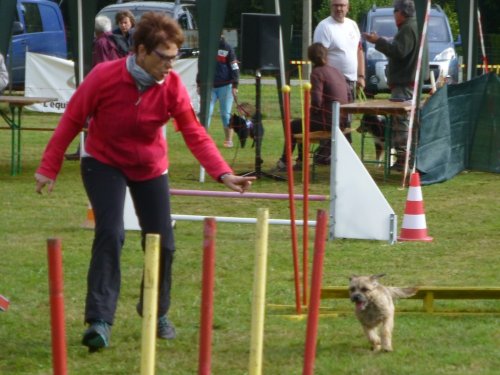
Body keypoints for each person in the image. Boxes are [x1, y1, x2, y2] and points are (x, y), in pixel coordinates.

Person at [34, 12, 255, 352]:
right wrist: (49, 167)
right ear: (140, 51)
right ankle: (100, 320)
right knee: (110, 232)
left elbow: (194, 133)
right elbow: (73, 118)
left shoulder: (172, 87)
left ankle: (156, 311)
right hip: (103, 161)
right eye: (164, 58)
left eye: (175, 58)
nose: (170, 65)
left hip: (150, 166)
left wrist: (223, 173)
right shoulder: (103, 76)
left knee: (163, 242)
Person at [363, 0, 427, 171]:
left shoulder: (407, 28)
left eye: (394, 11)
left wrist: (378, 41)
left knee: (401, 122)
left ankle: (402, 160)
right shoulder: (413, 25)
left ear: (401, 12)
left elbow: (398, 51)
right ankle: (405, 158)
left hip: (404, 83)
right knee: (404, 121)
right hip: (408, 82)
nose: (393, 14)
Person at [275, 43, 349, 171]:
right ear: (327, 55)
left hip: (328, 121)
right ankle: (300, 160)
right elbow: (349, 95)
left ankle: (285, 161)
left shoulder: (317, 73)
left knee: (294, 125)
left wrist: (313, 112)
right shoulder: (336, 71)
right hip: (342, 120)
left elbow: (316, 100)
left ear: (310, 58)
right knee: (301, 124)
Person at [65, 15, 124, 161]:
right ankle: (84, 149)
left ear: (95, 29)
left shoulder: (101, 43)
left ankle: (88, 150)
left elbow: (102, 66)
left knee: (90, 118)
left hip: (106, 87)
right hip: (118, 84)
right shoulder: (115, 39)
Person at [313, 0, 366, 144]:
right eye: (336, 5)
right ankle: (327, 153)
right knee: (333, 120)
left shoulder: (352, 25)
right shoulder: (324, 27)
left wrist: (361, 76)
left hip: (351, 81)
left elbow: (359, 51)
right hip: (332, 84)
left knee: (346, 120)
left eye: (342, 5)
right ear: (331, 6)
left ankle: (343, 150)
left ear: (348, 7)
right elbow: (319, 57)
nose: (339, 8)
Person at [199, 35, 240, 148]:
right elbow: (201, 66)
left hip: (226, 86)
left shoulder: (227, 48)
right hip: (209, 87)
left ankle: (229, 140)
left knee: (225, 114)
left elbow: (235, 67)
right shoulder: (206, 49)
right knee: (206, 113)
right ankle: (203, 140)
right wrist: (199, 83)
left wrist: (235, 85)